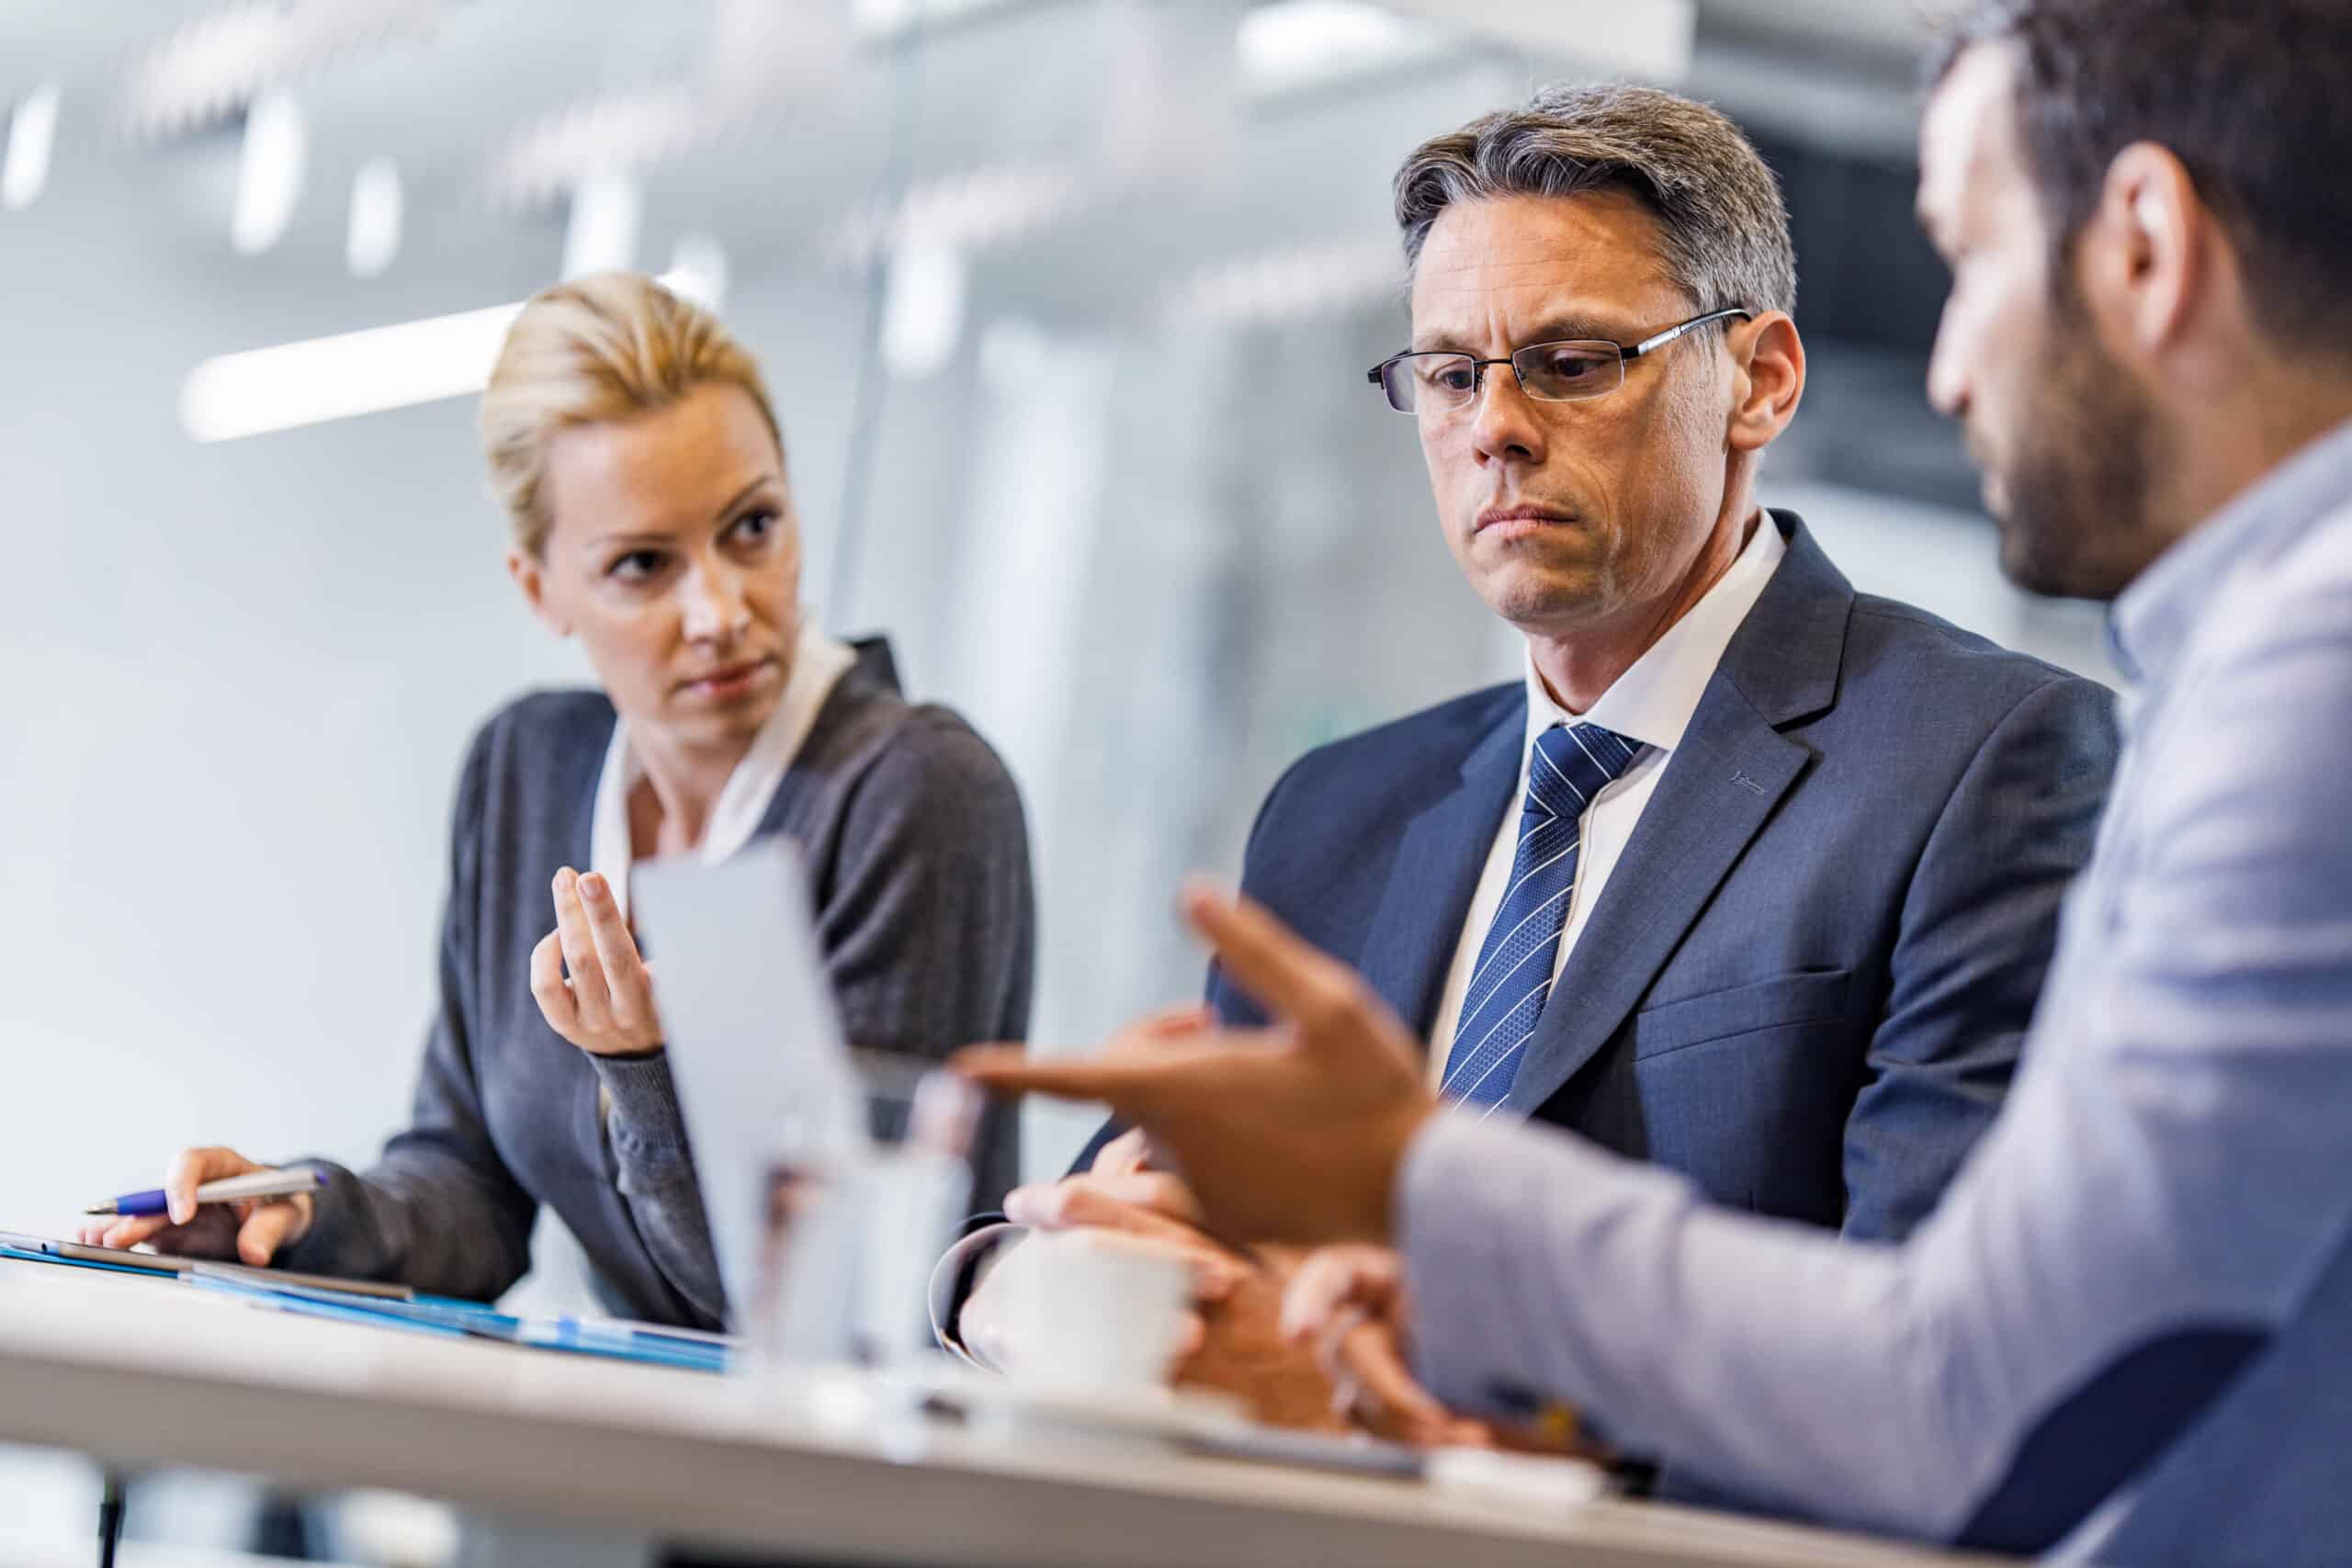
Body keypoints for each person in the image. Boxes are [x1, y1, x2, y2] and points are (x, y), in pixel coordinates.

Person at [960, 1, 2352, 1561]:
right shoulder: (1340, 810)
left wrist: (1408, 1254)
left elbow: (1966, 1385)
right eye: (1443, 374)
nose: (1493, 428)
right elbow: (1134, 1211)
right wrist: (1033, 1273)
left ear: (1758, 381)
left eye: (1569, 362)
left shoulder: (2026, 753)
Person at [86, 273, 1035, 1330]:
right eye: (642, 564)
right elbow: (472, 1190)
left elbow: (834, 1301)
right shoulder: (530, 769)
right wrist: (299, 1215)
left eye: (753, 528)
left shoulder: (909, 794)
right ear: (541, 590)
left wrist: (640, 1075)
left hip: (842, 1482)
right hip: (609, 1471)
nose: (721, 610)